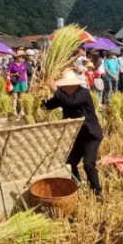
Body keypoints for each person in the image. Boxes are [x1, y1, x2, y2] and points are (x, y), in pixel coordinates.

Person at [43, 70, 103, 198]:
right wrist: (41, 95)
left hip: (91, 135)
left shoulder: (83, 93)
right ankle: (77, 186)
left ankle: (97, 192)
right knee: (70, 163)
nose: (63, 88)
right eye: (62, 87)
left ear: (72, 85)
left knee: (88, 163)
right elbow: (49, 105)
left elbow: (70, 102)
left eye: (64, 86)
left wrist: (55, 89)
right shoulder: (64, 96)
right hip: (78, 136)